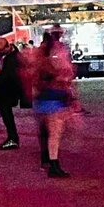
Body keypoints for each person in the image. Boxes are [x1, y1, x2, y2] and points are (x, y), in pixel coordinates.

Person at [27, 28, 74, 178]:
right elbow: (61, 74)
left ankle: (47, 159)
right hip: (54, 96)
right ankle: (53, 164)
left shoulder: (38, 56)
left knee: (46, 132)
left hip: (42, 98)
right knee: (55, 133)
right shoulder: (51, 58)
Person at [0, 37, 25, 149]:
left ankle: (13, 138)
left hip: (8, 90)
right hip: (2, 90)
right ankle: (12, 137)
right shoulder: (6, 55)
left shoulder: (13, 58)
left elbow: (9, 76)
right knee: (6, 114)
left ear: (6, 48)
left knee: (7, 115)